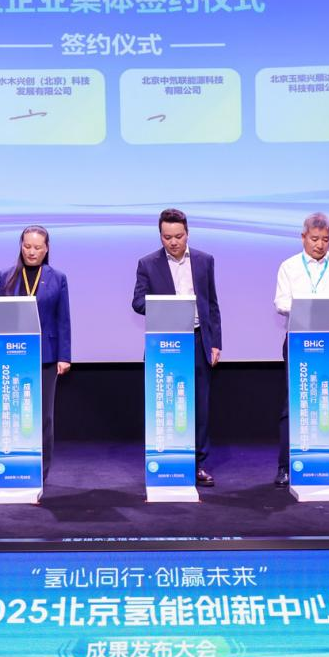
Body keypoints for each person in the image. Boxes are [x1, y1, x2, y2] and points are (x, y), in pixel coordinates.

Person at [132, 208, 222, 486]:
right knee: (165, 403)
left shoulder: (204, 261)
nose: (173, 242)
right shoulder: (148, 263)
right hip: (165, 342)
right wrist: (167, 307)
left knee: (199, 406)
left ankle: (198, 464)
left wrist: (216, 343)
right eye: (167, 237)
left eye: (178, 236)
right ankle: (165, 461)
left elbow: (212, 305)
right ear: (160, 236)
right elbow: (137, 302)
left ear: (187, 233)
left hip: (198, 339)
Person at [272, 212, 329, 489]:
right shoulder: (289, 266)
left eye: (325, 239)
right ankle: (285, 467)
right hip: (298, 340)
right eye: (314, 239)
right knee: (293, 403)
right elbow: (280, 302)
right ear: (303, 237)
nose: (320, 245)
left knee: (328, 402)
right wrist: (308, 306)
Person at [0, 226, 71, 480]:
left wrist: (64, 356)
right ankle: (13, 468)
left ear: (46, 249)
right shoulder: (5, 276)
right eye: (27, 246)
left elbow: (63, 319)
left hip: (46, 355)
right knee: (12, 411)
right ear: (21, 246)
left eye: (37, 247)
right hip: (12, 355)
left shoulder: (57, 278)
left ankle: (40, 472)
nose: (31, 252)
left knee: (43, 415)